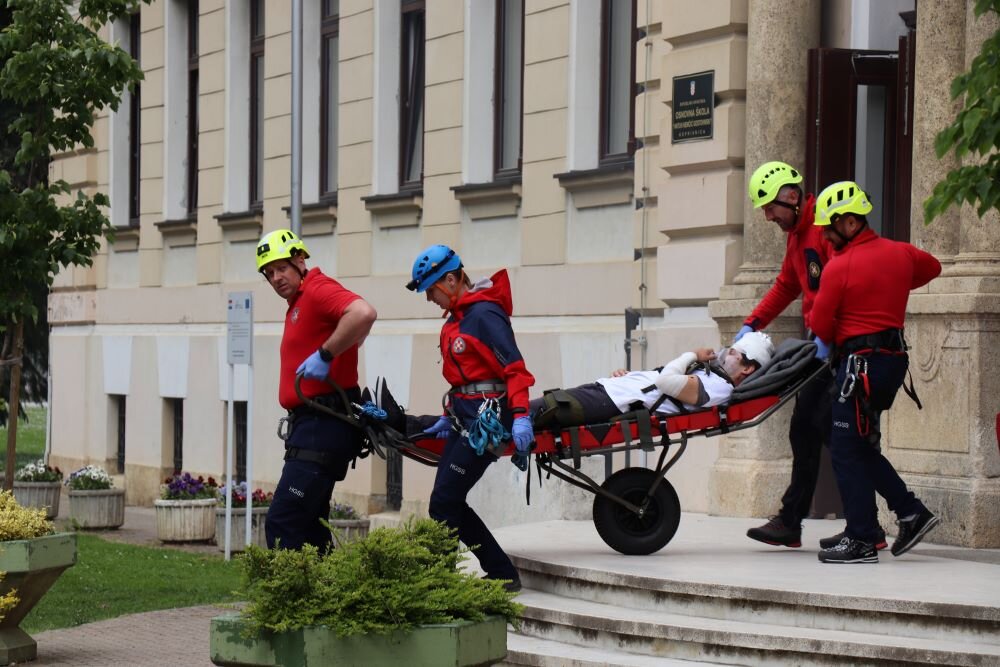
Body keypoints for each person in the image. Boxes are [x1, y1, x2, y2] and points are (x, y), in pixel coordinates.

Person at [808, 181, 942, 563]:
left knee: (846, 448)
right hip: (891, 364)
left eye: (830, 230)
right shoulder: (902, 254)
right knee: (860, 445)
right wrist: (892, 284)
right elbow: (933, 267)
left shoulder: (840, 267)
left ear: (849, 223)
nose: (827, 239)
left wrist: (838, 336)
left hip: (859, 365)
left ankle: (864, 538)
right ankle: (897, 518)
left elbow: (820, 323)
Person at [739, 161, 865, 551]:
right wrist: (752, 323)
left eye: (770, 206)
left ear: (792, 197)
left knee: (834, 433)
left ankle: (876, 521)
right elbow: (788, 285)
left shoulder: (820, 230)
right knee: (811, 430)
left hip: (838, 347)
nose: (767, 215)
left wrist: (829, 337)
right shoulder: (797, 235)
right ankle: (795, 521)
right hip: (823, 345)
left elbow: (845, 282)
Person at [407, 244, 535, 592]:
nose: (429, 298)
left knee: (444, 501)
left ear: (450, 279)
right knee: (446, 499)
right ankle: (501, 574)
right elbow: (466, 378)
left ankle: (441, 583)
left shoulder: (484, 315)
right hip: (464, 418)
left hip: (488, 423)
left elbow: (514, 370)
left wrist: (521, 415)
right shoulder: (457, 319)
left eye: (431, 289)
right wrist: (449, 416)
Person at [256, 229, 378, 551]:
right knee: (311, 528)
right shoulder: (299, 301)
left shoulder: (317, 289)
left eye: (282, 267)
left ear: (300, 260)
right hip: (311, 425)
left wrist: (326, 354)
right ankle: (328, 600)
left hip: (322, 424)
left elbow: (363, 313)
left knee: (284, 522)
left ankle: (291, 600)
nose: (276, 278)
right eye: (269, 274)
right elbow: (355, 327)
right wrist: (341, 346)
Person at [530, 332, 774, 429]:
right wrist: (630, 376)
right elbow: (661, 378)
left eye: (734, 353)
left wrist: (692, 355)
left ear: (748, 368)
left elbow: (666, 382)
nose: (726, 353)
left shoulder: (718, 388)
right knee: (529, 410)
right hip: (611, 392)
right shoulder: (712, 377)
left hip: (614, 400)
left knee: (530, 412)